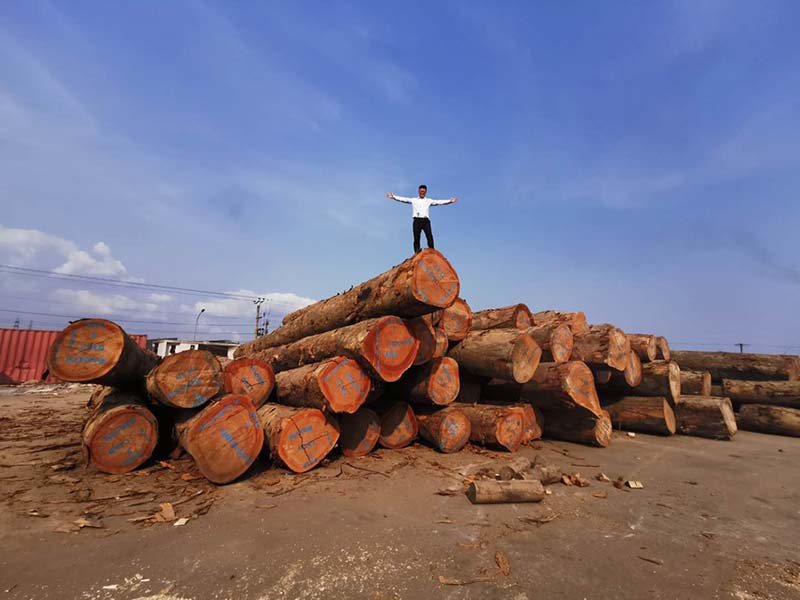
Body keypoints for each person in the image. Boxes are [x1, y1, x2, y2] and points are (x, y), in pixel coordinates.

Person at [386, 185, 458, 254]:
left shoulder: (429, 201)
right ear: (419, 191)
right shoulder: (414, 200)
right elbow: (404, 199)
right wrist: (393, 197)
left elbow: (439, 202)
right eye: (421, 191)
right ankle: (417, 252)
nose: (422, 193)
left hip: (425, 221)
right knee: (416, 237)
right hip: (417, 220)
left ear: (426, 192)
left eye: (423, 191)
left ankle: (432, 250)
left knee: (429, 236)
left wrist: (450, 201)